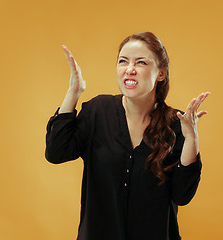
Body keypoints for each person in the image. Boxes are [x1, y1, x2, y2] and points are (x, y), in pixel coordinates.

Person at [45, 32, 210, 240]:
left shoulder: (177, 124)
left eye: (141, 63)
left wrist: (191, 140)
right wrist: (73, 92)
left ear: (161, 73)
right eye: (123, 61)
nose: (130, 70)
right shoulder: (98, 111)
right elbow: (55, 152)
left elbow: (182, 195)